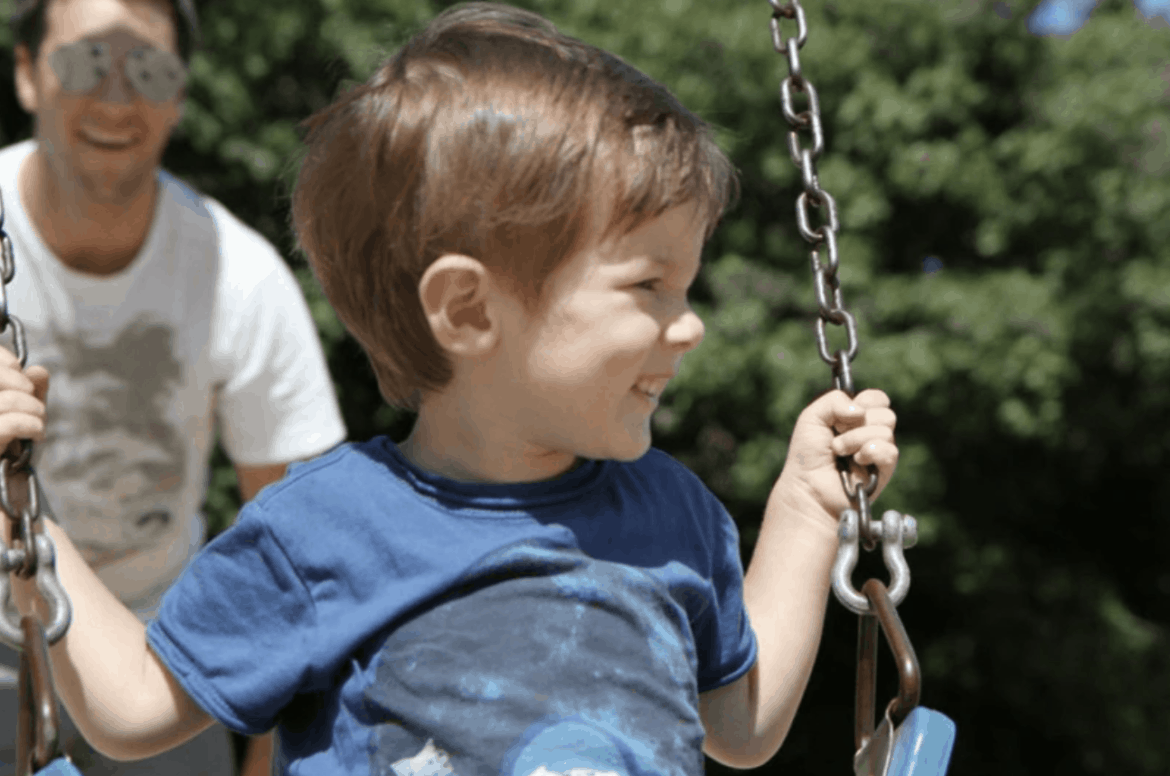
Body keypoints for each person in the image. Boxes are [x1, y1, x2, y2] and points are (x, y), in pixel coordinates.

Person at [2, 3, 898, 774]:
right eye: (647, 287)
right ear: (468, 310)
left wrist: (810, 506)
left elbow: (740, 728)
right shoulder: (327, 529)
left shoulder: (673, 512)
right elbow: (128, 710)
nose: (691, 322)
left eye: (687, 285)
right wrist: (19, 508)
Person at [0, 0, 346, 773]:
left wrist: (269, 762)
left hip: (161, 657)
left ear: (180, 95)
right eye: (87, 62)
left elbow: (306, 549)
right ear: (27, 73)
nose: (119, 98)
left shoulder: (242, 275)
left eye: (150, 70)